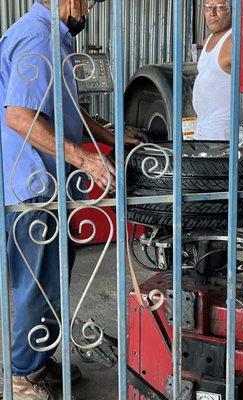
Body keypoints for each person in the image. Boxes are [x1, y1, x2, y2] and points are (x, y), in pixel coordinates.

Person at [0, 0, 142, 398]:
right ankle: (23, 377)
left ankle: (39, 362)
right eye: (89, 3)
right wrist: (85, 159)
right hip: (35, 191)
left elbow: (64, 110)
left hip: (52, 189)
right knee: (37, 286)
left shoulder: (54, 39)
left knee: (52, 282)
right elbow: (19, 116)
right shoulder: (37, 36)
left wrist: (111, 136)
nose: (88, 12)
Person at [193, 0, 232, 141]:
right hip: (203, 126)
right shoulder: (208, 40)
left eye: (220, 7)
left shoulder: (234, 40)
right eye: (208, 7)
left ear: (231, 10)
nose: (212, 13)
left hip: (222, 132)